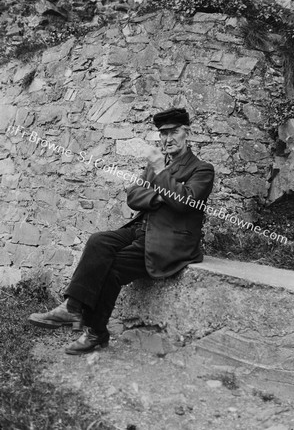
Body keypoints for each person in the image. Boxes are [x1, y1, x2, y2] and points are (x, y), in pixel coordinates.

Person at [28, 108, 215, 355]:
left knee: (113, 268)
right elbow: (133, 196)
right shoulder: (156, 167)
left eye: (174, 132)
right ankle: (72, 307)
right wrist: (163, 193)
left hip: (169, 241)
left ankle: (96, 333)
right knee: (98, 241)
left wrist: (160, 174)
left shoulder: (202, 169)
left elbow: (184, 202)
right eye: (163, 134)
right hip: (141, 229)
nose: (167, 139)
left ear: (187, 133)